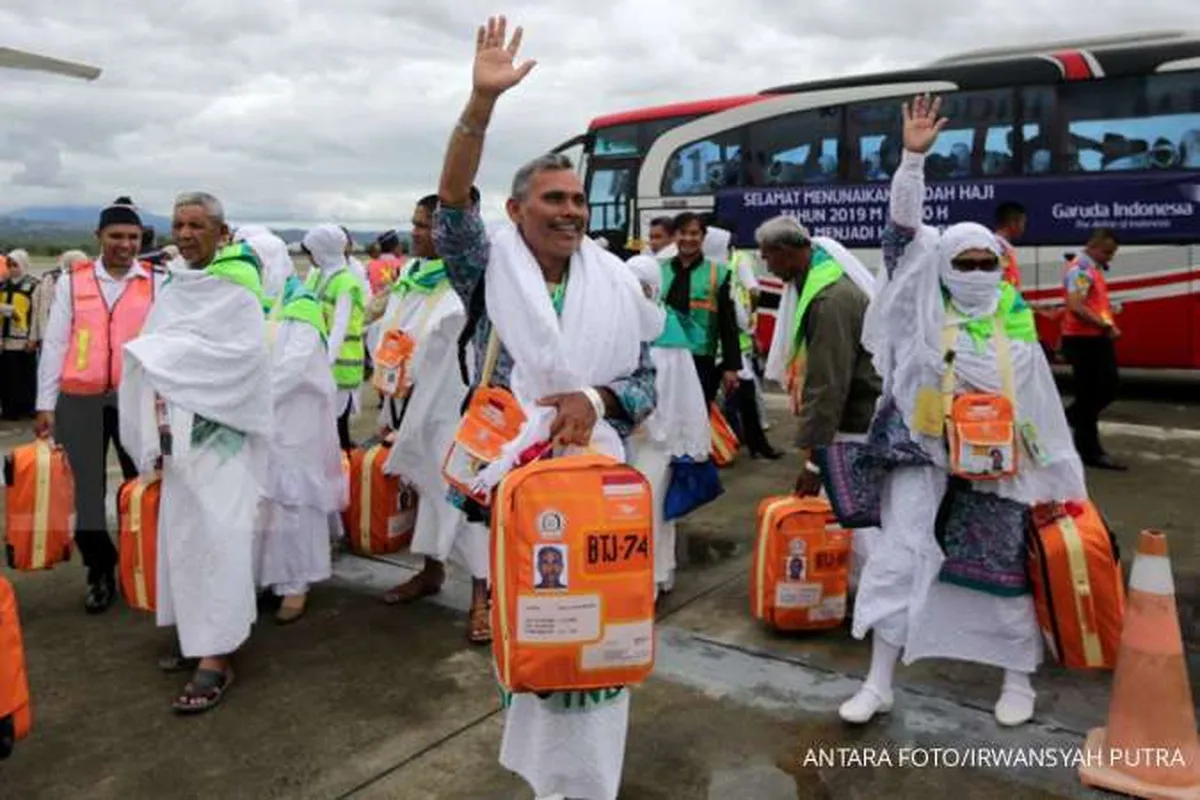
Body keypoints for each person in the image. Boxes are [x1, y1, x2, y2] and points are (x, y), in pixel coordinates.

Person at [435, 17, 660, 800]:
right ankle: (547, 780)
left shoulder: (615, 282)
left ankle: (593, 783)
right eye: (553, 199)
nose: (571, 211)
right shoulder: (486, 268)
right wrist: (479, 103)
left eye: (577, 200)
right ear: (518, 208)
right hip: (521, 492)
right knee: (538, 638)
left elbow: (644, 388)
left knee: (603, 640)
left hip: (600, 486)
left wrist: (592, 398)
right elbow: (453, 201)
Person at [842, 95, 1089, 729]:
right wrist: (912, 162)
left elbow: (1039, 407)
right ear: (943, 269)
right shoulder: (921, 311)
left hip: (997, 466)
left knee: (1003, 570)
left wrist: (1053, 474)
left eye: (987, 263)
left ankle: (1017, 681)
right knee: (902, 555)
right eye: (964, 263)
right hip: (920, 453)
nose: (977, 271)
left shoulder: (1016, 328)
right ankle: (878, 684)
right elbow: (901, 237)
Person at [119, 191, 272, 714]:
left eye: (198, 225)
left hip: (222, 442)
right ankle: (197, 633)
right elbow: (156, 350)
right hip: (178, 442)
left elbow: (245, 361)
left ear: (222, 233)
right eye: (179, 224)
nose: (185, 235)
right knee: (185, 539)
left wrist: (169, 357)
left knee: (220, 541)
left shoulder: (238, 292)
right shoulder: (175, 290)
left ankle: (218, 652)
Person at [368, 195, 491, 645]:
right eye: (415, 224)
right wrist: (388, 405)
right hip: (410, 405)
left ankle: (483, 595)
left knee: (463, 498)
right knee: (421, 488)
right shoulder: (411, 278)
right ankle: (431, 572)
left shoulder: (471, 282)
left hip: (453, 409)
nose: (416, 233)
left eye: (426, 227)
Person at [34, 199, 165, 612]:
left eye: (132, 237)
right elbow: (56, 343)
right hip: (80, 400)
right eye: (116, 236)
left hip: (134, 399)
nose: (125, 245)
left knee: (140, 485)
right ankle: (100, 569)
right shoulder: (73, 281)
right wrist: (45, 403)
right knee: (87, 494)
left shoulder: (157, 281)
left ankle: (137, 565)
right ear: (98, 237)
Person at [236, 225, 343, 625]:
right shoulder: (246, 304)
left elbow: (294, 368)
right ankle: (266, 576)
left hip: (293, 424)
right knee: (257, 502)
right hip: (254, 421)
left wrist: (250, 400)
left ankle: (296, 582)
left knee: (293, 501)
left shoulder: (301, 306)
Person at [759, 217, 881, 496]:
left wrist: (816, 464)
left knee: (849, 525)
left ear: (786, 252)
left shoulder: (829, 302)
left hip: (855, 428)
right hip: (851, 424)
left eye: (768, 258)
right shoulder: (823, 285)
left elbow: (828, 385)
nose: (767, 268)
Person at [625, 255, 711, 598]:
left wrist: (661, 430)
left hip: (654, 441)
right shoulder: (619, 325)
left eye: (641, 287)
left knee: (651, 511)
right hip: (624, 436)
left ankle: (653, 578)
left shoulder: (668, 330)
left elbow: (682, 395)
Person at [1061, 228, 1125, 471]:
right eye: (1107, 252)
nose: (1110, 257)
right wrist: (1105, 326)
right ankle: (1079, 435)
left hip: (1090, 338)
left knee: (1094, 393)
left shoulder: (1090, 269)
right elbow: (1076, 305)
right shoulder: (1081, 269)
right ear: (1094, 246)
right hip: (1086, 340)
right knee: (1102, 389)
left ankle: (1084, 441)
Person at [663, 212, 742, 405]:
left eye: (694, 233)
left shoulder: (719, 273)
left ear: (703, 237)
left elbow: (728, 323)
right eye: (683, 233)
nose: (688, 239)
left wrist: (731, 367)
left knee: (698, 413)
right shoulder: (659, 269)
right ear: (674, 236)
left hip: (701, 358)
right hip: (664, 356)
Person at [302, 224, 366, 451]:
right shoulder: (317, 277)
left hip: (339, 366)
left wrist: (325, 363)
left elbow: (340, 328)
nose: (310, 258)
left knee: (337, 428)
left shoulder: (346, 282)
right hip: (319, 362)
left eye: (312, 252)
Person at [0, 250, 39, 420]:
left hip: (24, 338)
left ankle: (28, 407)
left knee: (26, 374)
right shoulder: (3, 285)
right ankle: (10, 410)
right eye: (9, 265)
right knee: (8, 375)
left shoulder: (34, 285)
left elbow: (37, 314)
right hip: (5, 338)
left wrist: (34, 338)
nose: (11, 269)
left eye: (15, 265)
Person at [29, 250, 87, 356]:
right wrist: (42, 335)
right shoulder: (52, 278)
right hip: (52, 333)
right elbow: (43, 308)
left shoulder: (83, 278)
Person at [993, 202, 1027, 290]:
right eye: (1023, 222)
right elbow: (1005, 280)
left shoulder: (997, 245)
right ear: (1013, 223)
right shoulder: (1001, 250)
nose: (1024, 227)